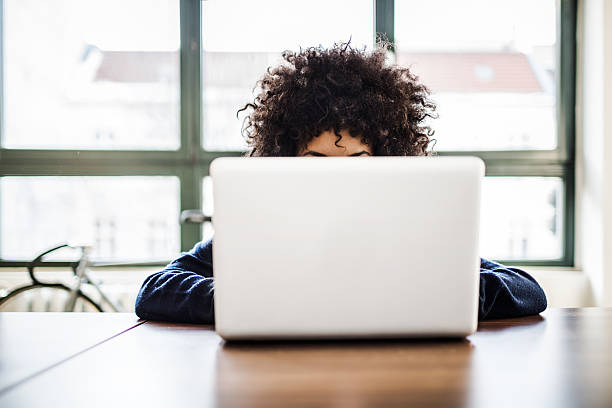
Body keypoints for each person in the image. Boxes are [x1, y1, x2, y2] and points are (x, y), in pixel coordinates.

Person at [135, 42, 547, 324]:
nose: (336, 174)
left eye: (357, 159)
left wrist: (442, 294)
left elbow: (527, 290)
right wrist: (254, 301)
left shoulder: (406, 228)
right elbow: (156, 290)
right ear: (286, 156)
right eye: (316, 159)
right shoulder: (261, 228)